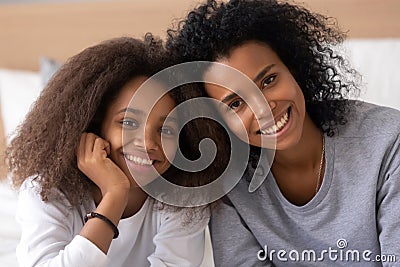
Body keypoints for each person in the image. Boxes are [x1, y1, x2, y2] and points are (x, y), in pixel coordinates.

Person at [166, 0, 400, 266]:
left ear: (294, 68)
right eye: (236, 104)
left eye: (268, 81)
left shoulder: (388, 141)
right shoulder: (229, 184)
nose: (263, 109)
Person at [6, 35, 210, 267]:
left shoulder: (184, 198)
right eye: (128, 123)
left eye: (167, 130)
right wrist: (114, 195)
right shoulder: (45, 190)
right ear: (95, 123)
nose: (148, 143)